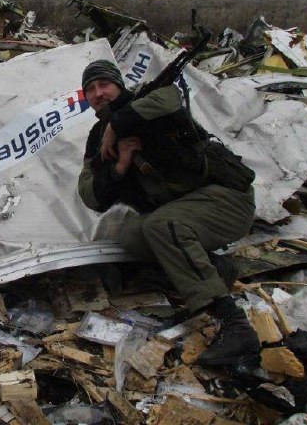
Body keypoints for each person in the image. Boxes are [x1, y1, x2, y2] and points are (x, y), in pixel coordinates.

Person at [77, 60, 259, 367]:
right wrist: (120, 165)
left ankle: (235, 326)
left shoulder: (150, 102)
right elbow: (89, 194)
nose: (98, 93)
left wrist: (116, 124)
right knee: (130, 236)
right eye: (91, 89)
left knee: (162, 225)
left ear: (119, 86)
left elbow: (170, 98)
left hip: (227, 200)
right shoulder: (97, 139)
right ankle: (213, 268)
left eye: (104, 84)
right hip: (185, 212)